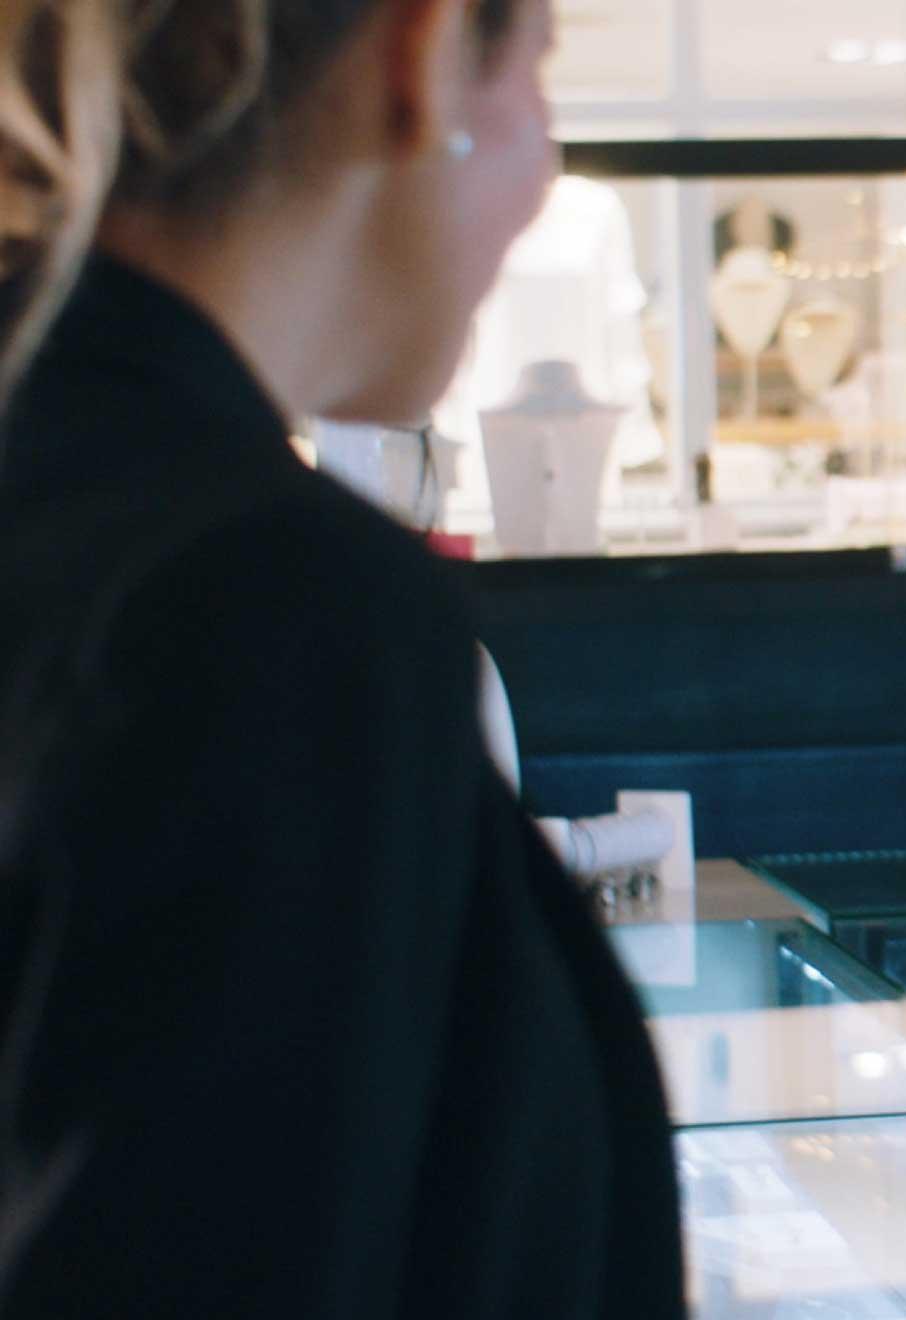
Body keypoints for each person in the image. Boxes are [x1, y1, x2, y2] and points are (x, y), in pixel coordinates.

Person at [0, 2, 683, 1315]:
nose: (546, 166)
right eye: (538, 69)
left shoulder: (86, 505)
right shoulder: (261, 602)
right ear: (421, 56)